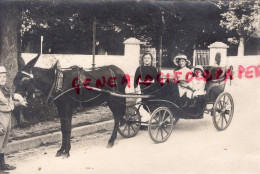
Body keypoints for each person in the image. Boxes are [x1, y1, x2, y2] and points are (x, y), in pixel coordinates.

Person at [0, 66, 27, 172]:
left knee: (4, 141)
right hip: (0, 117)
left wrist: (20, 103)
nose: (3, 78)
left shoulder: (5, 90)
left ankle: (2, 165)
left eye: (4, 76)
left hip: (7, 116)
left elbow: (9, 104)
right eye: (0, 76)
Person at [134, 53, 158, 122]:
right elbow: (135, 80)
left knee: (149, 103)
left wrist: (155, 87)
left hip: (151, 88)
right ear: (142, 60)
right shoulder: (139, 69)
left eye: (148, 58)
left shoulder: (153, 69)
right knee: (139, 103)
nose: (146, 60)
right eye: (145, 58)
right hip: (142, 88)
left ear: (151, 60)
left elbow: (157, 80)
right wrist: (136, 88)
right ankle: (143, 118)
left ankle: (149, 118)